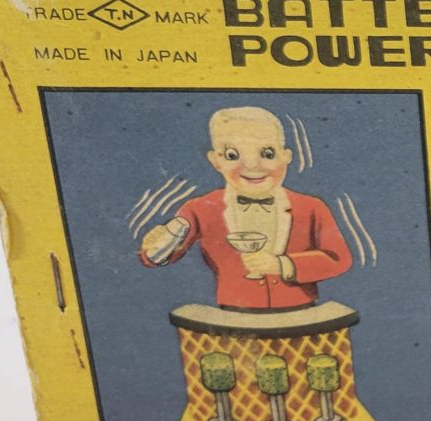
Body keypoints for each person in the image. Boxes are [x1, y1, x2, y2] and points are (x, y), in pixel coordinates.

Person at [139, 106, 352, 311]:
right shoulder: (200, 209)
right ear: (216, 161)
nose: (251, 166)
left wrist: (281, 265)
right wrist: (160, 243)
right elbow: (158, 257)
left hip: (301, 315)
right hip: (234, 317)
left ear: (286, 156)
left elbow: (338, 259)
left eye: (267, 154)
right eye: (232, 155)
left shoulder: (312, 207)